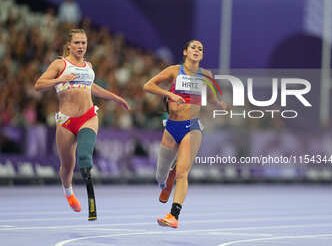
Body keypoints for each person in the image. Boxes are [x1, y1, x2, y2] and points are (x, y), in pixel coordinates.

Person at [34, 29, 130, 220]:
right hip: (66, 121)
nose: (80, 47)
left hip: (88, 116)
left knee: (84, 157)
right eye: (77, 43)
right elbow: (38, 85)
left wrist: (115, 97)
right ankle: (68, 192)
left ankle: (87, 176)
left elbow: (92, 87)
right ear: (69, 45)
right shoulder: (60, 64)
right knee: (67, 166)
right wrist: (60, 79)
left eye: (83, 43)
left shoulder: (89, 66)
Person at [143, 40, 226, 228]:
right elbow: (148, 86)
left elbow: (211, 97)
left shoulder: (206, 75)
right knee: (160, 176)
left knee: (183, 172)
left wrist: (219, 104)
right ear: (185, 52)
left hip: (192, 127)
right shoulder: (174, 70)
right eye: (193, 47)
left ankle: (174, 215)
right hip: (172, 127)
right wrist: (169, 94)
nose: (197, 50)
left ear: (202, 55)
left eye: (200, 49)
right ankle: (167, 178)